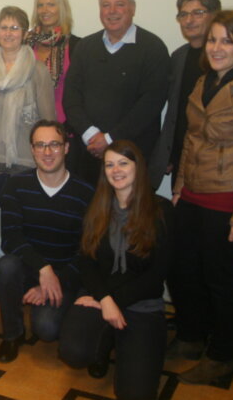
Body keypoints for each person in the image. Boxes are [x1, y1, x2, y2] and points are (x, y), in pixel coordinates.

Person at [169, 10, 233, 385]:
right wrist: (179, 185)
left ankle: (222, 356)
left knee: (222, 280)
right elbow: (190, 139)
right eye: (213, 39)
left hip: (227, 198)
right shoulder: (202, 82)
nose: (216, 47)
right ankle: (191, 336)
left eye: (227, 40)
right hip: (193, 192)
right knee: (185, 270)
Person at [59, 140, 172, 400]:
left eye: (123, 163)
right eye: (109, 164)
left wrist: (111, 301)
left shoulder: (161, 210)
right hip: (101, 295)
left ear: (138, 167)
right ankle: (106, 341)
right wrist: (104, 299)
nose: (116, 170)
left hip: (142, 303)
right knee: (73, 352)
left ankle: (125, 341)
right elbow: (86, 262)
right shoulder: (97, 207)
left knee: (136, 395)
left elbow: (157, 276)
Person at [0, 120, 94, 363]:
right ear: (32, 149)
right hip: (29, 268)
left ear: (66, 148)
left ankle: (61, 308)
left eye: (54, 145)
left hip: (64, 274)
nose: (47, 152)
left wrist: (54, 278)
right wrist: (43, 269)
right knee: (5, 266)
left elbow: (87, 251)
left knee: (47, 329)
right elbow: (10, 237)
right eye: (40, 145)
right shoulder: (16, 185)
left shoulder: (86, 193)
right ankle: (12, 334)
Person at [63, 0, 169, 186]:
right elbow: (71, 97)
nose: (112, 11)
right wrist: (91, 135)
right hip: (89, 157)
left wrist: (110, 139)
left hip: (133, 160)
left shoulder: (153, 48)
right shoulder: (85, 47)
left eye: (119, 4)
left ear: (133, 8)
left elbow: (150, 104)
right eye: (105, 5)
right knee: (91, 216)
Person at [0, 6, 56, 204]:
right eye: (3, 28)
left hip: (25, 160)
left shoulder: (37, 71)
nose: (8, 33)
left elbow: (48, 120)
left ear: (25, 33)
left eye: (14, 28)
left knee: (20, 222)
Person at [149, 0, 221, 188]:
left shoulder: (223, 57)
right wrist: (169, 152)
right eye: (183, 14)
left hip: (216, 161)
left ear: (215, 15)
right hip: (183, 158)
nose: (189, 20)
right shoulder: (179, 57)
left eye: (198, 13)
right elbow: (175, 111)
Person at [24, 0, 80, 123]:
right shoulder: (26, 43)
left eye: (51, 5)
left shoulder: (76, 46)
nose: (45, 10)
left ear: (62, 8)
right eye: (40, 5)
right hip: (27, 124)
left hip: (64, 124)